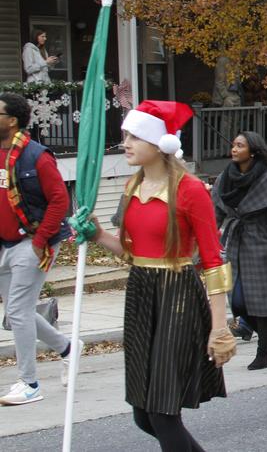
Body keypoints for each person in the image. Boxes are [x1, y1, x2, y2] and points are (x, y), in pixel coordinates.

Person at [90, 100, 235, 450]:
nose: (126, 143)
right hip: (141, 293)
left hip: (178, 296)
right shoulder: (131, 187)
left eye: (135, 136)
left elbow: (214, 261)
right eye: (125, 135)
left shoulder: (191, 190)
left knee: (162, 413)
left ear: (160, 144)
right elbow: (133, 252)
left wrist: (219, 326)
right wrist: (97, 236)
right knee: (143, 413)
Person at [0, 93, 73, 406]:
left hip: (33, 242)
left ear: (12, 120)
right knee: (20, 312)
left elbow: (60, 200)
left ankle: (29, 383)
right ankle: (68, 348)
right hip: (4, 243)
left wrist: (41, 240)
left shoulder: (36, 156)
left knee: (17, 311)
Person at [214, 131, 267, 370]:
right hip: (235, 245)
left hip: (261, 244)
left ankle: (264, 352)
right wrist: (207, 240)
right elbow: (217, 212)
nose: (234, 149)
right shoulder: (224, 178)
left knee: (262, 302)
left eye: (240, 145)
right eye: (234, 145)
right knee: (238, 301)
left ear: (252, 151)